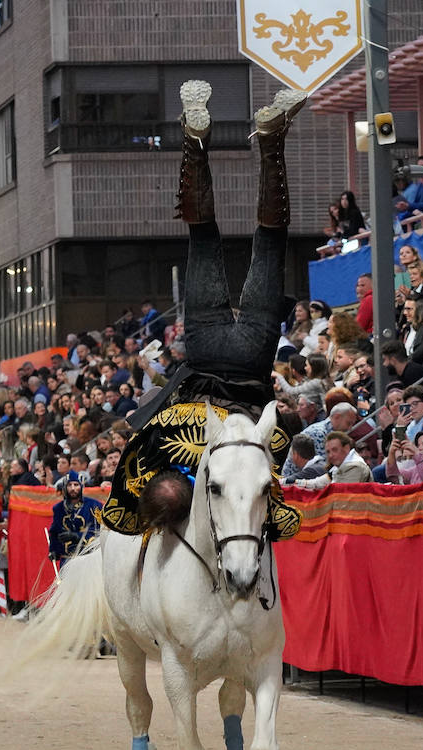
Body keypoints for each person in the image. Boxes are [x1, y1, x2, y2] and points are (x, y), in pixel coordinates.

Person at [102, 80, 304, 542]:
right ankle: (194, 144)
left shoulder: (245, 450)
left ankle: (272, 141)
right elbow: (121, 510)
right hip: (204, 350)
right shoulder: (155, 443)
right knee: (202, 238)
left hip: (251, 364)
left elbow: (280, 515)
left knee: (270, 244)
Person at [47, 472, 102, 566]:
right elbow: (55, 532)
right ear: (65, 487)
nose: (73, 488)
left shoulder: (94, 505)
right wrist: (54, 550)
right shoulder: (58, 508)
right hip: (67, 559)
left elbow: (97, 531)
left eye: (76, 485)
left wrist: (77, 536)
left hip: (87, 557)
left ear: (81, 486)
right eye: (69, 485)